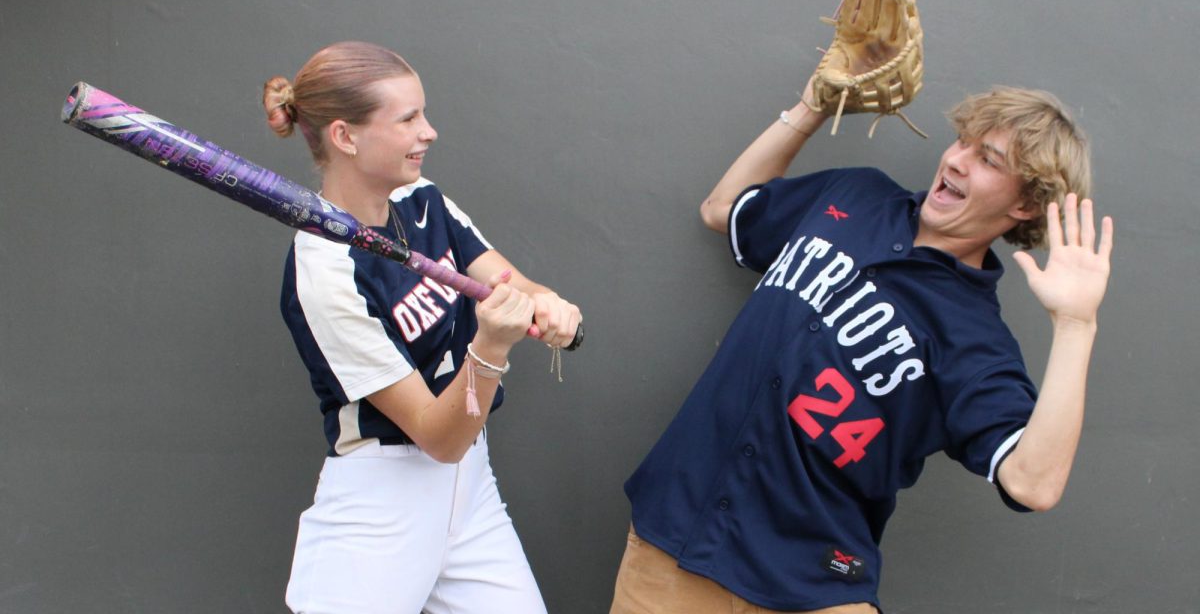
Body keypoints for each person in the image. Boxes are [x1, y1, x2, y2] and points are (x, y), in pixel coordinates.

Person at [610, 76, 1113, 613]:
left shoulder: (974, 339)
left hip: (809, 588)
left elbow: (1033, 484)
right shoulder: (854, 195)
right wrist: (812, 108)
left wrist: (1076, 325)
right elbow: (723, 208)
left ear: (1025, 206)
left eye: (988, 159)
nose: (958, 160)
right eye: (963, 140)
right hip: (672, 548)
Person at [264, 41, 581, 614]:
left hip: (470, 490)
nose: (429, 131)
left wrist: (547, 302)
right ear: (345, 136)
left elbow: (510, 282)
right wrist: (490, 346)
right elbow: (438, 437)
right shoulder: (325, 268)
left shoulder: (423, 202)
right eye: (408, 118)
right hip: (382, 507)